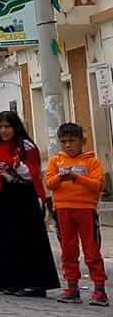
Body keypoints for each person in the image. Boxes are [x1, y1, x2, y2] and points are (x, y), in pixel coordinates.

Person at [0, 111, 59, 298]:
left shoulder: (25, 146)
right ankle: (10, 281)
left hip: (23, 196)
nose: (4, 131)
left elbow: (32, 173)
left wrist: (17, 165)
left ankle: (35, 283)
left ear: (16, 127)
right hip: (0, 195)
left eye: (7, 127)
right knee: (4, 237)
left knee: (27, 238)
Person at [45, 121, 107, 305]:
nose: (68, 145)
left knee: (91, 250)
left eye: (72, 140)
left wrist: (76, 178)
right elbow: (49, 183)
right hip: (63, 210)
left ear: (82, 141)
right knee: (68, 251)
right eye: (63, 141)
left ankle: (99, 290)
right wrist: (60, 177)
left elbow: (97, 186)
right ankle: (72, 288)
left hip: (86, 210)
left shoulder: (91, 162)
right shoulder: (55, 161)